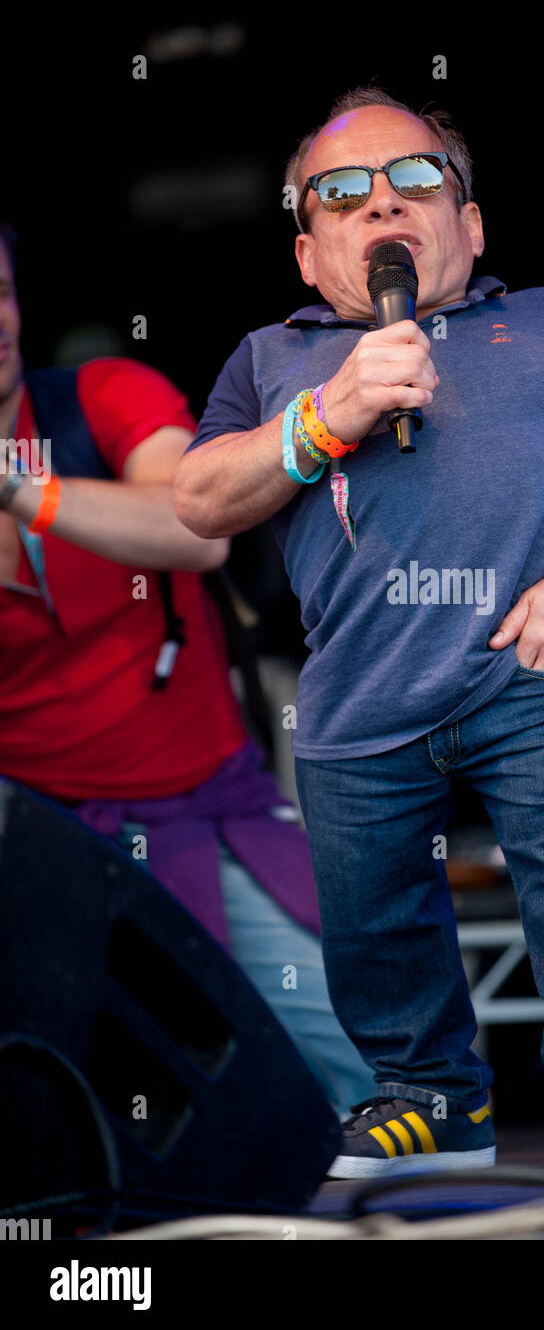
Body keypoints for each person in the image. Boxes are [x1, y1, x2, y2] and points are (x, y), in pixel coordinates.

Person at [173, 87, 544, 1178]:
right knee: (376, 933)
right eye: (343, 194)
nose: (382, 205)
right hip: (362, 700)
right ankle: (432, 1100)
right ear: (311, 255)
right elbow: (199, 500)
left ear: (472, 225)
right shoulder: (274, 358)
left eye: (415, 181)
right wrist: (326, 416)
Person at [0, 221, 373, 1118]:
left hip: (203, 815)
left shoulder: (99, 396)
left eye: (3, 291)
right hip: (33, 852)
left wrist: (19, 488)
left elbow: (194, 527)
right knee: (74, 1114)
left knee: (373, 1070)